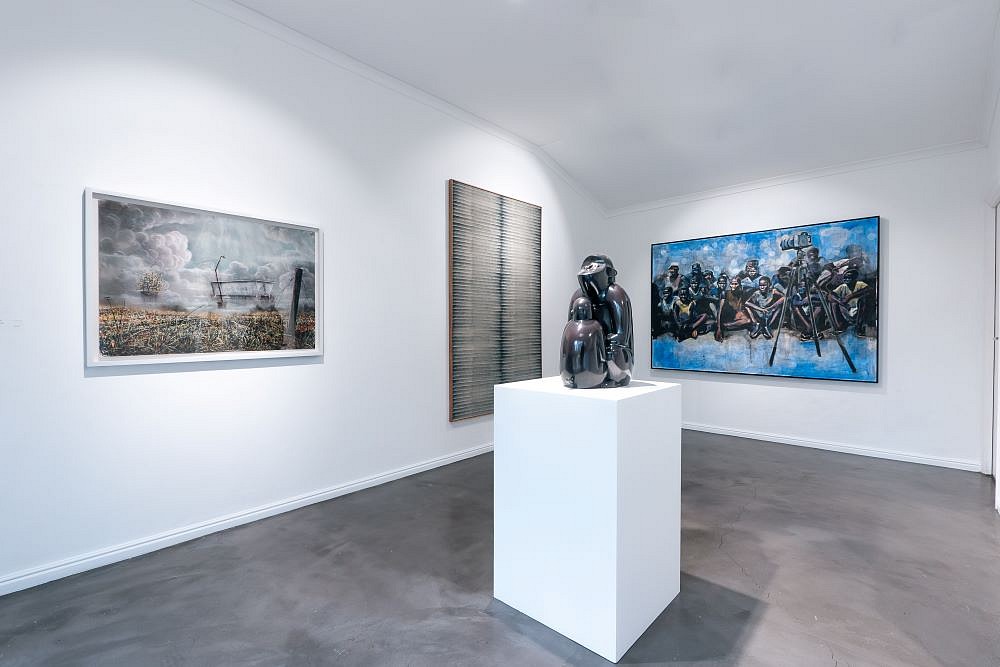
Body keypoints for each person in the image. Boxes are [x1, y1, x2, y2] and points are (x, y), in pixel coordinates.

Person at [569, 254, 633, 386]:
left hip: (611, 347)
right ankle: (581, 377)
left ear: (609, 273)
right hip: (591, 345)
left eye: (594, 265)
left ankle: (615, 378)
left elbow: (622, 334)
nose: (588, 269)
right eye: (587, 265)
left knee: (613, 349)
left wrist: (602, 342)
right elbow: (571, 328)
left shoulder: (615, 293)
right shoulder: (578, 296)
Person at [560, 297, 608, 389]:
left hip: (566, 375)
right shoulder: (596, 326)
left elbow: (564, 354)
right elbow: (602, 352)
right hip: (592, 376)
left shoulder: (568, 326)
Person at [715, 276, 751, 341]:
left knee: (747, 320)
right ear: (730, 284)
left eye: (735, 284)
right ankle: (723, 326)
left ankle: (726, 325)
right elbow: (719, 310)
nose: (733, 286)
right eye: (732, 284)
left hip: (734, 316)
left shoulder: (740, 294)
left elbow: (739, 308)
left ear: (739, 285)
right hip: (726, 316)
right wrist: (718, 328)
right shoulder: (725, 293)